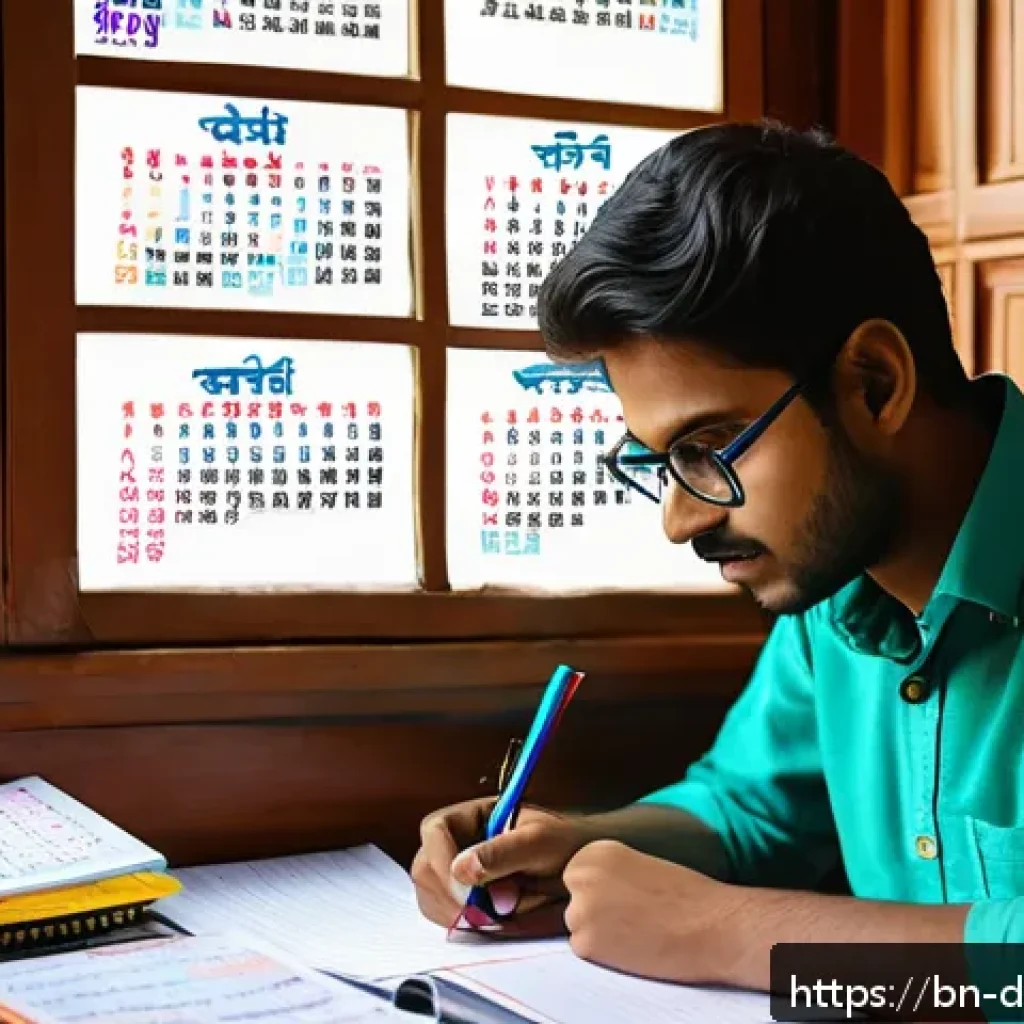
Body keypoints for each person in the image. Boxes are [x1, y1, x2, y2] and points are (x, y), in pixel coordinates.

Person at [411, 120, 1024, 995]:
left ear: (875, 383)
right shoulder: (834, 589)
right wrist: (579, 846)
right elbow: (752, 811)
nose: (679, 518)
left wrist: (735, 935)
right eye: (661, 461)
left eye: (711, 447)